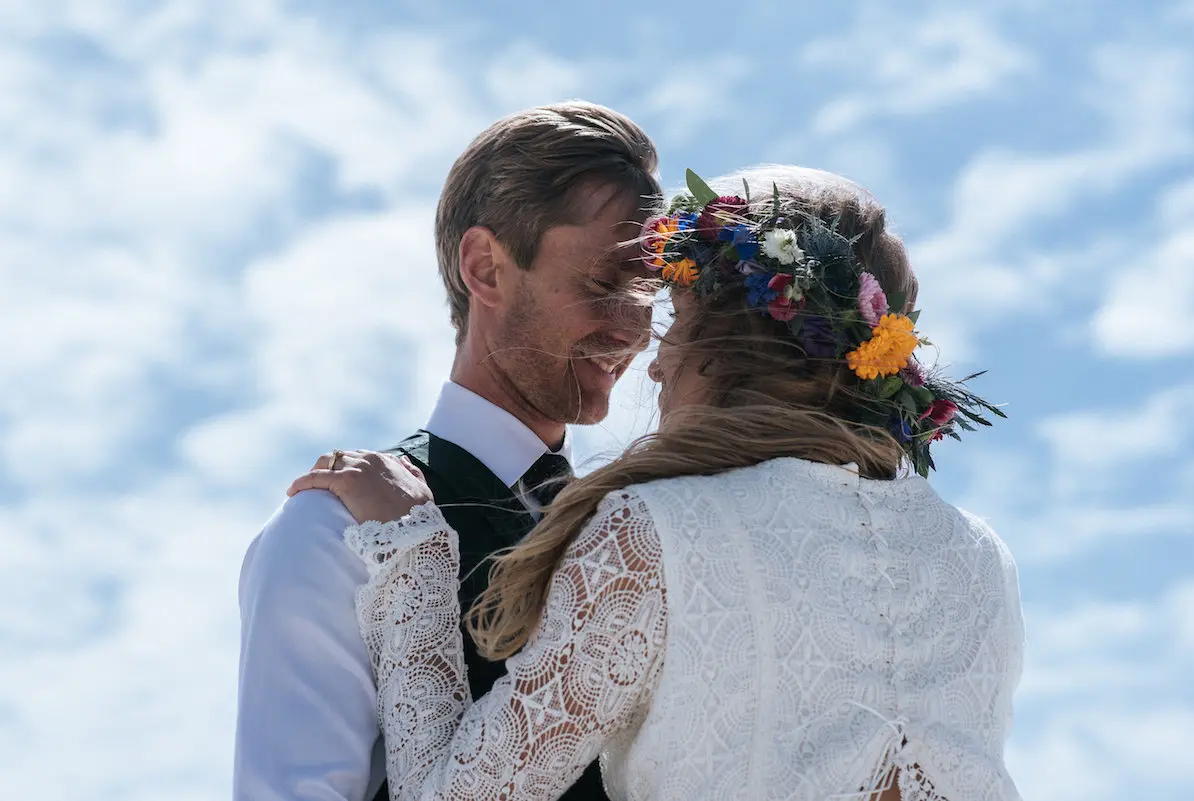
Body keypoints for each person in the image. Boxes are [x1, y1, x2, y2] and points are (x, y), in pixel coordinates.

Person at [288, 165, 1025, 801]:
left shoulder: (655, 534)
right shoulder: (980, 556)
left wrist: (413, 548)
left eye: (677, 321)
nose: (654, 360)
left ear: (728, 348)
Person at [234, 101, 661, 801]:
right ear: (486, 267)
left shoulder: (631, 536)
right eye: (603, 284)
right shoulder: (333, 534)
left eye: (648, 291)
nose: (633, 329)